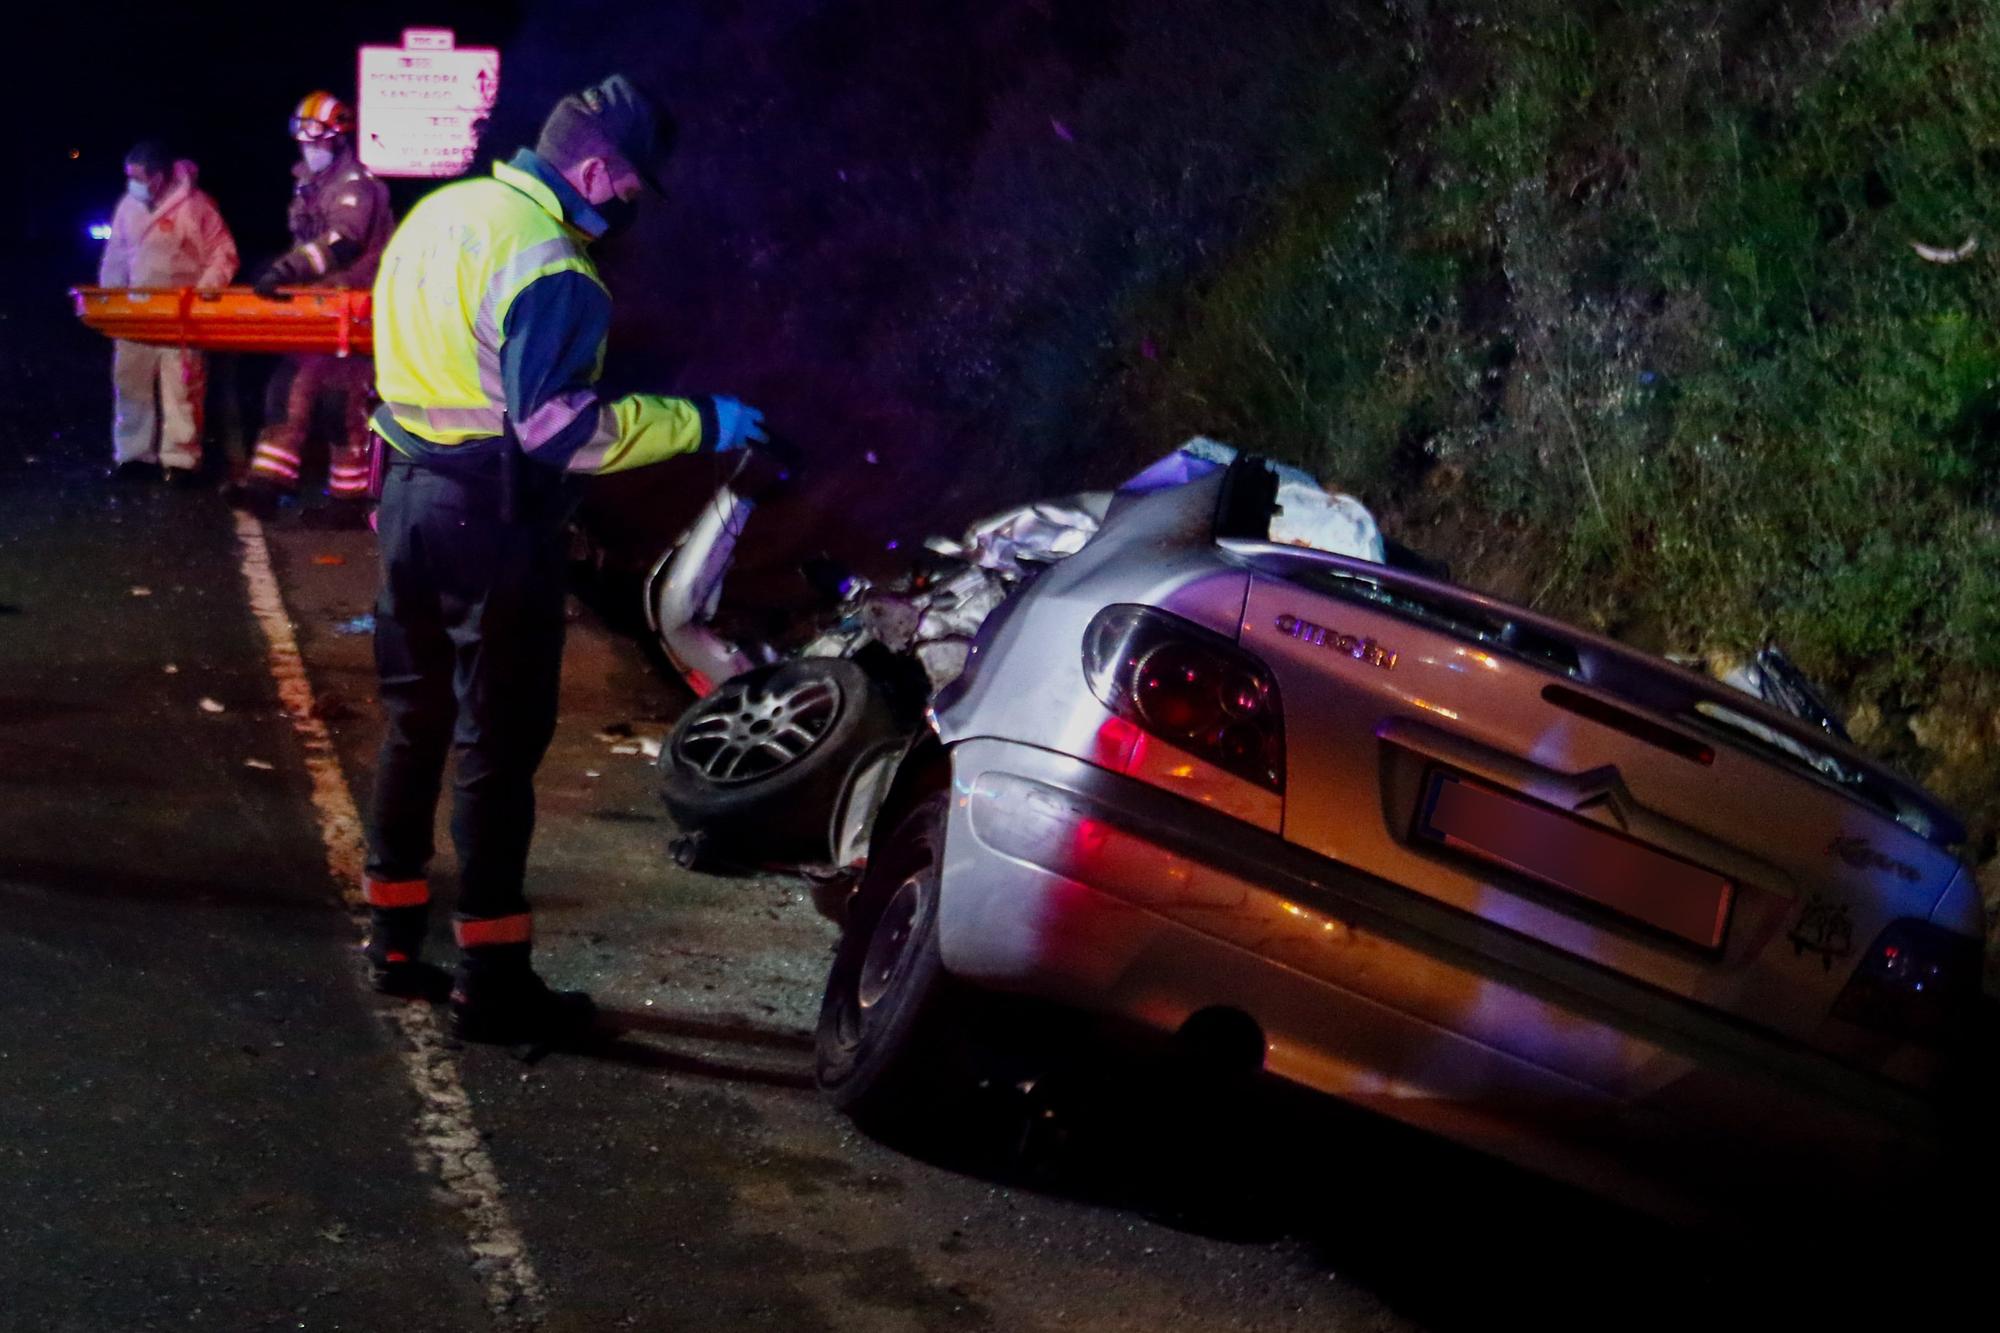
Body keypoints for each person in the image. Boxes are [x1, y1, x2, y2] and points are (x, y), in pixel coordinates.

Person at [362, 74, 770, 1046]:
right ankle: (492, 979)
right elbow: (557, 430)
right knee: (495, 751)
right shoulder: (557, 267)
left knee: (413, 721)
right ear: (594, 169)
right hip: (490, 523)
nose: (629, 209)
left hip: (405, 501)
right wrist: (699, 420)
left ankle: (389, 937)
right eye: (631, 189)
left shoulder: (441, 212)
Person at [240, 92, 392, 517]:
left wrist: (286, 271)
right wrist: (280, 271)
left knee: (340, 406)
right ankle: (266, 487)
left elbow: (342, 242)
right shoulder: (310, 185)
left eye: (319, 141)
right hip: (321, 310)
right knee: (287, 391)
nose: (311, 148)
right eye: (305, 141)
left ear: (340, 141)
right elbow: (307, 242)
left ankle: (349, 502)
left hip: (353, 310)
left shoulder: (356, 187)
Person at [98, 140, 238, 484]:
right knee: (130, 384)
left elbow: (223, 253)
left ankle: (181, 459)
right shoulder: (128, 207)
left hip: (179, 314)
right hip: (135, 312)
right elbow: (116, 255)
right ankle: (133, 455)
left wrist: (205, 292)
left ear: (159, 176)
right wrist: (109, 302)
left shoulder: (196, 207)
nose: (133, 183)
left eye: (139, 177)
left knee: (182, 388)